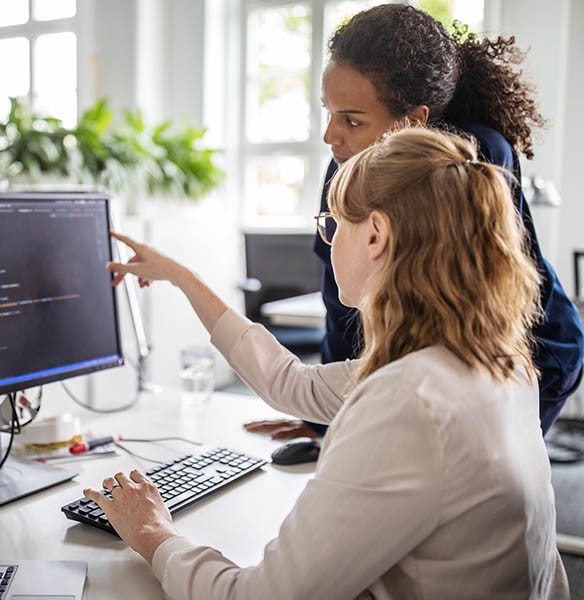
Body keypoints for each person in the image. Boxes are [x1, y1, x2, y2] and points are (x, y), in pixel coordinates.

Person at [86, 127, 568, 599]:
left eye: (332, 225)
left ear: (376, 234)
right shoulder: (488, 359)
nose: (328, 243)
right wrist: (184, 278)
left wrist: (152, 534)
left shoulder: (410, 402)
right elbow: (291, 383)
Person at [245, 3, 584, 442]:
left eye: (351, 119)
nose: (331, 136)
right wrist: (325, 419)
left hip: (530, 355)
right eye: (329, 112)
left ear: (414, 120)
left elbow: (467, 313)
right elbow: (341, 304)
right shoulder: (344, 165)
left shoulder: (473, 158)